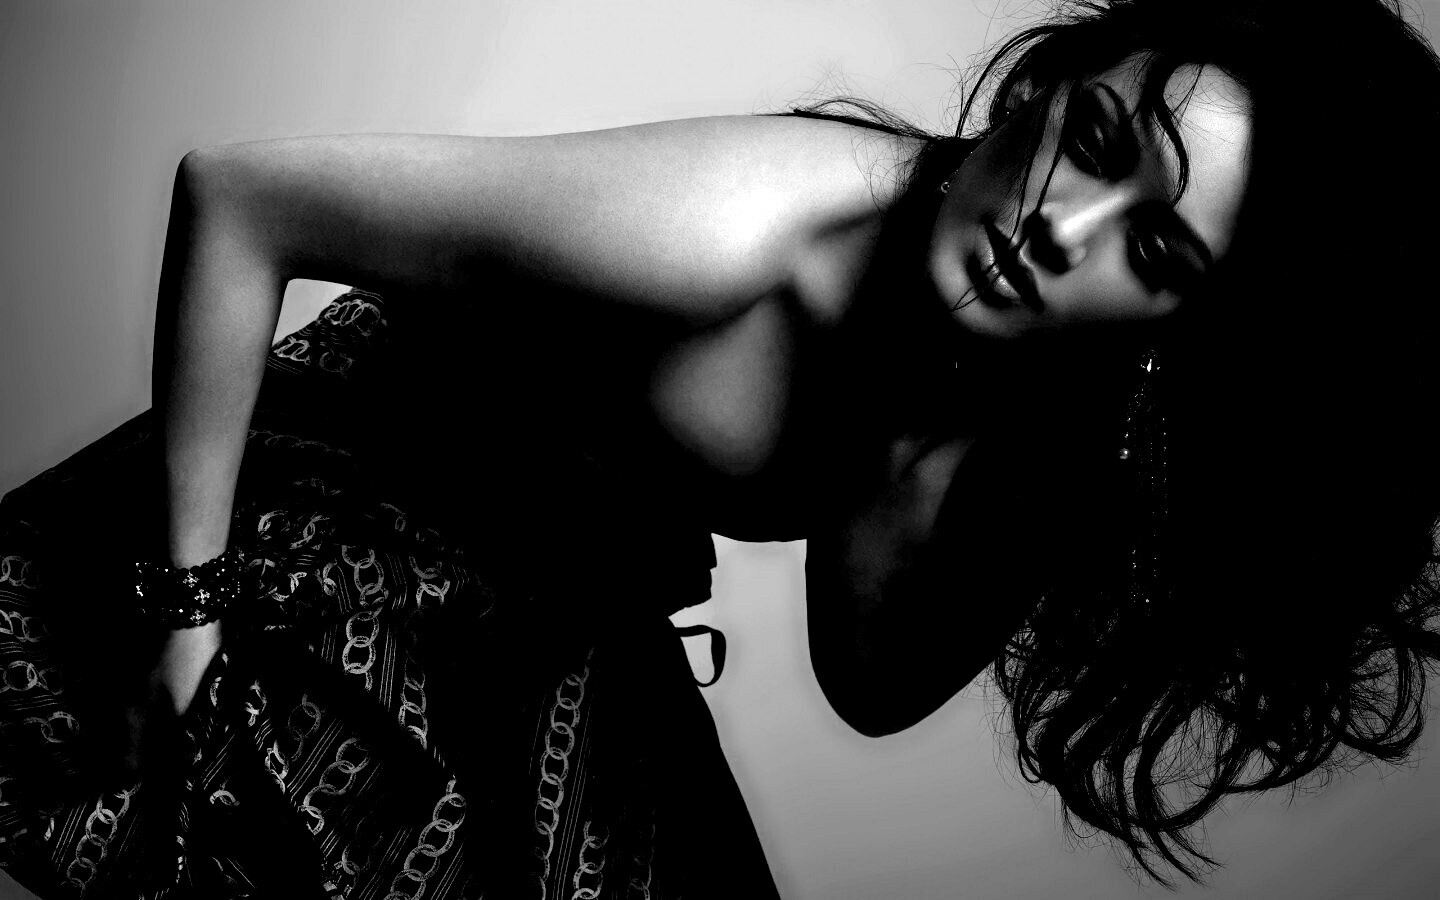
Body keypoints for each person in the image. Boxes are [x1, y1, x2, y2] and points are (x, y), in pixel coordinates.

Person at [3, 0, 1439, 896]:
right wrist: (186, 609)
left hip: (545, 605)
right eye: (1100, 137)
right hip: (339, 510)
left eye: (1156, 250)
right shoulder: (757, 225)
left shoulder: (1015, 404)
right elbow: (242, 195)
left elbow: (868, 678)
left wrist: (1000, 461)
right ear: (1043, 88)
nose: (1063, 228)